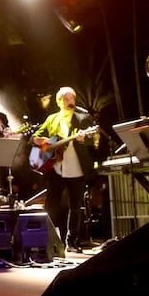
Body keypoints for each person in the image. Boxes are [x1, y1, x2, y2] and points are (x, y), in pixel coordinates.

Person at [30, 86, 102, 252]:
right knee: (51, 204)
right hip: (56, 167)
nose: (69, 102)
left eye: (71, 99)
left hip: (76, 168)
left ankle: (72, 241)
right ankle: (49, 237)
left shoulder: (83, 118)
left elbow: (92, 142)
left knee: (75, 206)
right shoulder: (52, 118)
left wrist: (83, 139)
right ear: (59, 102)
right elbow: (36, 136)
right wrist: (37, 140)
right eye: (66, 99)